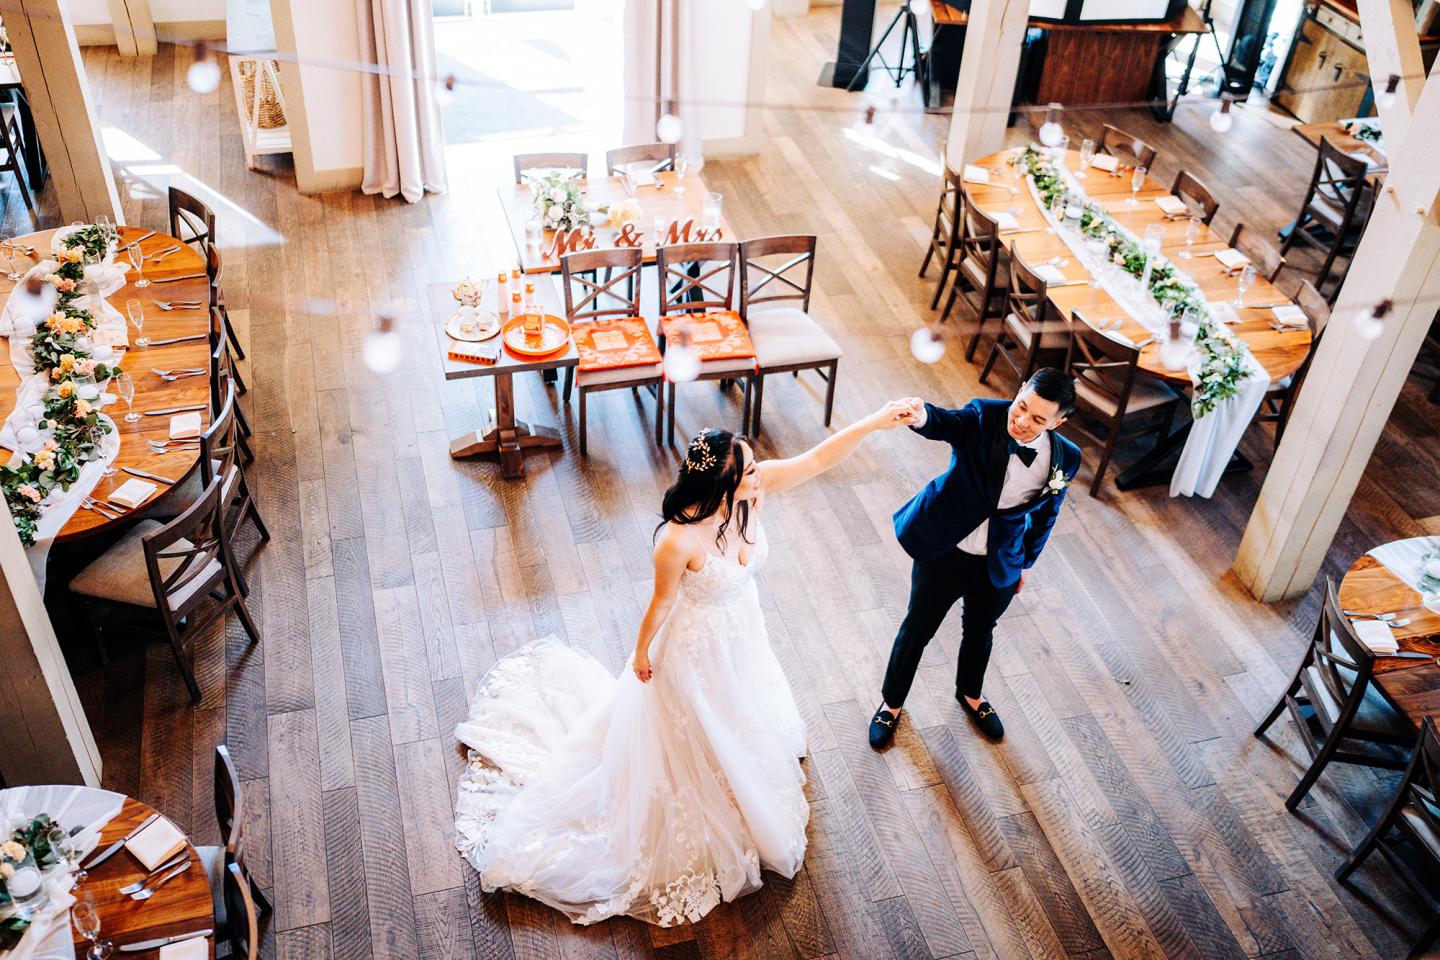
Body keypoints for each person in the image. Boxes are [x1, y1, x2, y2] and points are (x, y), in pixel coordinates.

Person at [454, 401, 915, 926]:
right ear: (722, 487)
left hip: (742, 630)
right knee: (700, 728)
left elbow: (815, 460)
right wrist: (643, 653)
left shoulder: (753, 491)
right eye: (747, 468)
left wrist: (875, 419)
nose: (759, 471)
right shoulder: (677, 539)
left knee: (744, 709)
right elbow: (661, 604)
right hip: (695, 651)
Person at [869, 369, 1080, 748]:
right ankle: (892, 702)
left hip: (999, 560)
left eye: (1037, 419)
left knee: (981, 631)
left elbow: (1047, 515)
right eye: (1021, 407)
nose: (1020, 421)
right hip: (945, 549)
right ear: (1018, 392)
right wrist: (920, 416)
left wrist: (1024, 564)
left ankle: (971, 693)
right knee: (918, 627)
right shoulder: (984, 415)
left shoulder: (1067, 459)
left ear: (1058, 422)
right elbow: (947, 423)